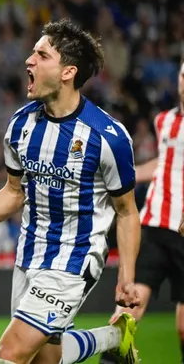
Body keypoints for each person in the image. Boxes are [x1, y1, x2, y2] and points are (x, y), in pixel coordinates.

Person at [0, 19, 142, 364]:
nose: (29, 61)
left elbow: (127, 210)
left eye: (41, 55)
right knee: (45, 360)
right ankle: (113, 337)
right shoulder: (21, 124)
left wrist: (127, 278)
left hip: (75, 258)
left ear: (67, 72)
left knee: (11, 352)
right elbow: (14, 192)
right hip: (29, 253)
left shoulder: (108, 136)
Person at [100, 61, 184, 364]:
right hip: (153, 226)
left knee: (183, 328)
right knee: (126, 311)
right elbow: (166, 164)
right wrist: (128, 175)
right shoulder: (164, 121)